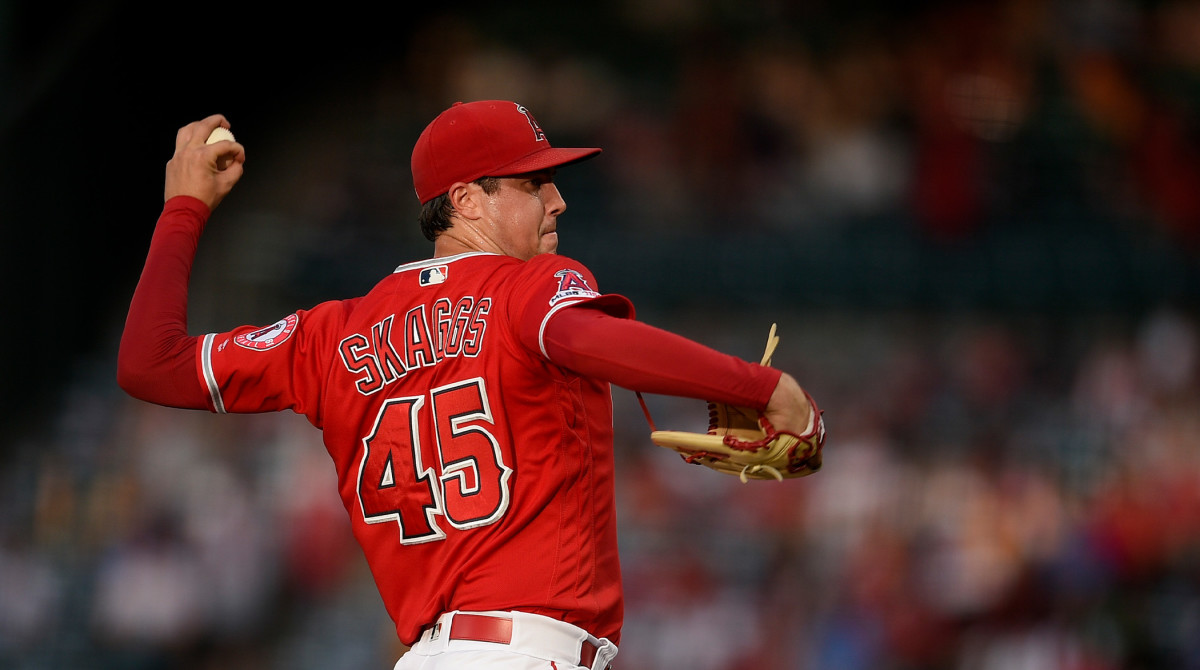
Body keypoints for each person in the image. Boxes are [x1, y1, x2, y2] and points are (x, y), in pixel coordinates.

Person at [117, 100, 823, 670]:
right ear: (466, 201)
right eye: (532, 182)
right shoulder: (531, 285)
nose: (558, 201)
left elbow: (151, 364)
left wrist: (184, 207)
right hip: (528, 653)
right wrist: (762, 386)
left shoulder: (326, 336)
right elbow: (581, 336)